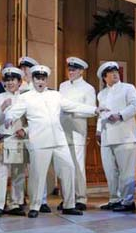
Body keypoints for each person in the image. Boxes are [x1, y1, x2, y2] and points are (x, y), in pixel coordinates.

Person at [4, 65, 103, 218]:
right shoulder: (26, 97)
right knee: (37, 175)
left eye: (43, 78)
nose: (40, 81)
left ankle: (69, 205)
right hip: (39, 141)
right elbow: (14, 111)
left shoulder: (55, 95)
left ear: (46, 79)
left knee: (68, 169)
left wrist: (93, 110)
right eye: (37, 78)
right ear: (33, 79)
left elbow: (73, 106)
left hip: (59, 140)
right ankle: (35, 207)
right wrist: (9, 118)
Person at [96, 61, 136, 212]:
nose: (115, 74)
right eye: (110, 73)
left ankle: (128, 201)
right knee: (110, 171)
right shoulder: (101, 93)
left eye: (116, 71)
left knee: (126, 171)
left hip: (125, 136)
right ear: (104, 77)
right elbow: (101, 114)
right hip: (106, 136)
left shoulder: (128, 88)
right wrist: (98, 130)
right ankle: (114, 199)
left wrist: (120, 115)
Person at [0, 67, 27, 218]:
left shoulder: (25, 98)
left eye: (13, 80)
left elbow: (30, 120)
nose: (10, 83)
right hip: (3, 138)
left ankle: (15, 204)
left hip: (18, 138)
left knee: (18, 173)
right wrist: (2, 108)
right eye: (7, 80)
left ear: (19, 82)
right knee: (1, 173)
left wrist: (25, 130)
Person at [58, 57, 96, 211]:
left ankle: (80, 198)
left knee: (78, 166)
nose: (71, 72)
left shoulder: (88, 88)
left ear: (81, 71)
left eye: (74, 70)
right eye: (69, 69)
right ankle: (67, 198)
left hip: (78, 130)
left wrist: (72, 109)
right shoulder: (63, 86)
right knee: (64, 166)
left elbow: (91, 110)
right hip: (62, 129)